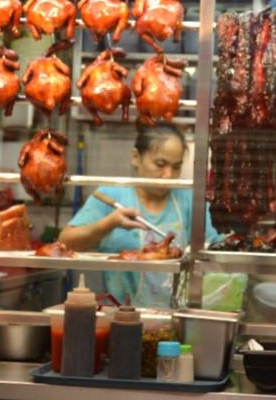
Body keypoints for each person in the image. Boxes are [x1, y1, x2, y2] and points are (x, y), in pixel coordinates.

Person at [59, 123, 220, 306]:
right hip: (120, 316)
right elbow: (65, 242)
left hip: (176, 316)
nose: (169, 175)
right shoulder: (112, 194)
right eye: (160, 164)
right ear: (136, 157)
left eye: (176, 167)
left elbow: (217, 249)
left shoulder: (188, 198)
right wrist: (109, 224)